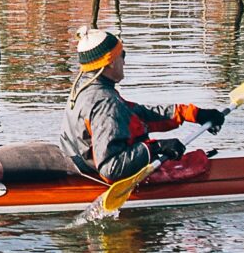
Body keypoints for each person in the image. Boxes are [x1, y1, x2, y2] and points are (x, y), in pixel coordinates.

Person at [63, 27, 224, 183]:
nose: (124, 62)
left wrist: (192, 114)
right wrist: (156, 148)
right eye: (122, 55)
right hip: (99, 174)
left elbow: (135, 115)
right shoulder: (106, 102)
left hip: (81, 165)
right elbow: (111, 169)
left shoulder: (84, 87)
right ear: (110, 62)